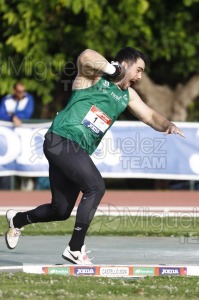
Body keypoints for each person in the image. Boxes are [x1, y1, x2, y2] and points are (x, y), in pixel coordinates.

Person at [5, 48, 185, 265]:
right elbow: (85, 55)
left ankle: (18, 219)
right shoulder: (92, 78)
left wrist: (168, 125)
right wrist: (112, 69)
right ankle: (75, 248)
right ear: (124, 65)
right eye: (138, 70)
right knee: (96, 186)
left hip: (74, 151)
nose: (139, 77)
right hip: (61, 140)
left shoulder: (127, 95)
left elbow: (149, 115)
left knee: (60, 210)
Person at [0, 82, 34, 190]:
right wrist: (13, 118)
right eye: (19, 91)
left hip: (24, 138)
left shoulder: (28, 98)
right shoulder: (7, 99)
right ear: (14, 91)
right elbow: (1, 114)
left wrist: (14, 115)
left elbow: (27, 114)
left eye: (23, 91)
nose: (21, 94)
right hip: (8, 139)